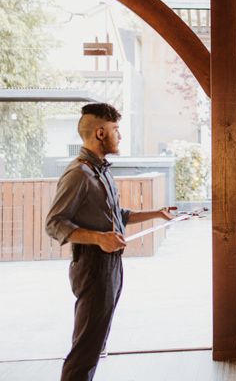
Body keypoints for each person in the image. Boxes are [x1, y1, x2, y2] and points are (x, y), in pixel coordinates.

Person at [46, 103, 175, 381]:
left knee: (95, 346)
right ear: (101, 133)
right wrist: (98, 239)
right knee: (85, 350)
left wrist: (157, 214)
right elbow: (54, 223)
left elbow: (119, 217)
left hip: (111, 267)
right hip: (93, 268)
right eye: (116, 130)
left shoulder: (101, 171)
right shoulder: (78, 174)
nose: (120, 136)